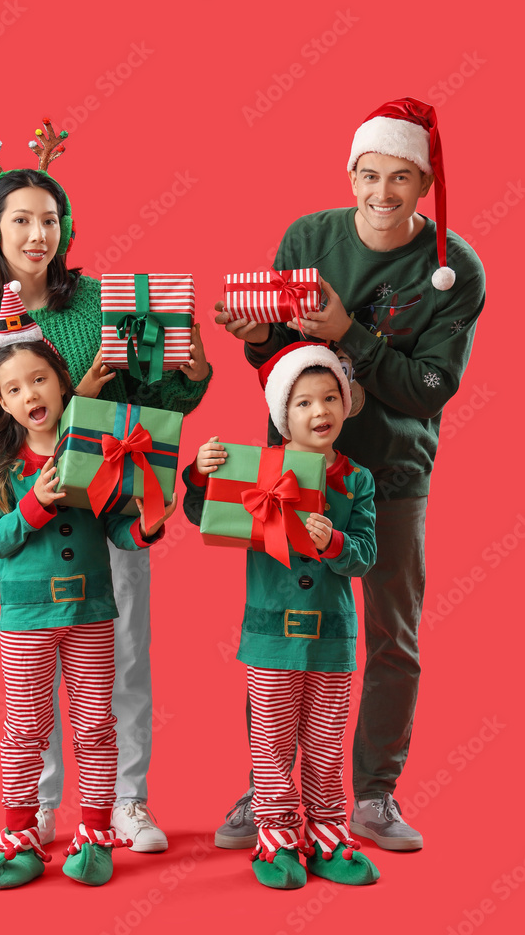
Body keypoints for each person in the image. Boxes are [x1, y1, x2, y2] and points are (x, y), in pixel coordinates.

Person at [213, 97, 485, 851]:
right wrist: (259, 334)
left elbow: (429, 387)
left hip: (393, 469)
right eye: (369, 175)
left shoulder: (453, 270)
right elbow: (274, 366)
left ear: (423, 184)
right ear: (349, 174)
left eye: (401, 178)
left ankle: (372, 794)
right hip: (292, 470)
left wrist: (347, 335)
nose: (382, 193)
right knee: (277, 632)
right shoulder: (309, 237)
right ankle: (269, 792)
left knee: (390, 635)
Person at [0, 119, 211, 852]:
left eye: (50, 220)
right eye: (21, 221)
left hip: (115, 505)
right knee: (35, 677)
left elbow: (152, 407)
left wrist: (190, 374)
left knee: (121, 655)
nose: (38, 234)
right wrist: (26, 498)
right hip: (33, 519)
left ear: (66, 229)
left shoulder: (104, 299)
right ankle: (36, 810)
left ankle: (124, 800)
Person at [0, 283, 175, 889]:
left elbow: (118, 525)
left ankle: (93, 833)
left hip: (91, 610)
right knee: (25, 727)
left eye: (38, 380)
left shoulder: (94, 449)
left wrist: (145, 526)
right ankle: (20, 835)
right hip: (27, 618)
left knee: (93, 724)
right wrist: (33, 504)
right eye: (14, 389)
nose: (29, 394)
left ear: (61, 383)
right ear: (3, 404)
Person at [183, 342, 379, 889]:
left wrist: (335, 541)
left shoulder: (356, 479)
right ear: (281, 415)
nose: (320, 412)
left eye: (331, 398)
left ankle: (327, 833)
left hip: (333, 640)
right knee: (270, 745)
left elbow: (365, 557)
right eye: (304, 403)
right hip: (270, 639)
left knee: (324, 743)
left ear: (345, 404)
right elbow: (205, 516)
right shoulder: (256, 467)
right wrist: (199, 475)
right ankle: (275, 837)